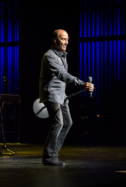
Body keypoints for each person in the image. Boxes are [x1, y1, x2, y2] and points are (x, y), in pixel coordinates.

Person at [39, 29, 94, 166]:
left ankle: (52, 154)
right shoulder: (50, 56)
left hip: (61, 96)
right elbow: (62, 74)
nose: (66, 42)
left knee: (67, 123)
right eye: (63, 39)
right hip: (51, 94)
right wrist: (82, 83)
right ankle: (49, 157)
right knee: (58, 123)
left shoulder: (62, 55)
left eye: (67, 39)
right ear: (54, 40)